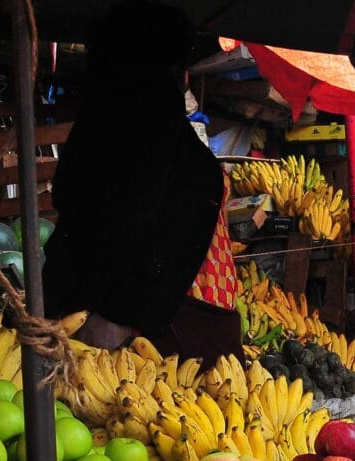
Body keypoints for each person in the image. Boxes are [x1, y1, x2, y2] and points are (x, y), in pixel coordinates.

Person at [42, 0, 243, 367]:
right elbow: (74, 198)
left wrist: (117, 317)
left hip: (162, 336)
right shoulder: (116, 121)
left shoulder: (146, 125)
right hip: (109, 318)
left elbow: (133, 218)